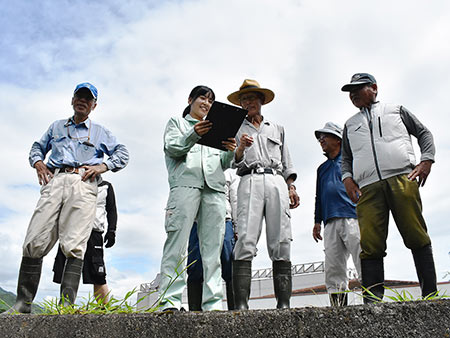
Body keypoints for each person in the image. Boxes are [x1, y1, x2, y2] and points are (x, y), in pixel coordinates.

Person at [4, 83, 128, 314]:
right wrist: (38, 162)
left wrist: (103, 166)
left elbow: (122, 153)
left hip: (83, 182)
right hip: (56, 179)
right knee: (35, 237)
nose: (82, 101)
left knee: (75, 242)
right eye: (79, 97)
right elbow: (37, 147)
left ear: (94, 105)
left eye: (87, 99)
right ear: (72, 100)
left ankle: (66, 307)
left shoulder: (100, 131)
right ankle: (22, 304)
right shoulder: (56, 126)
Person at [340, 73, 437, 303]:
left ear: (373, 88)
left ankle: (431, 295)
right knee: (370, 243)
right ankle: (373, 301)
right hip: (368, 188)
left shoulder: (396, 110)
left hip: (403, 179)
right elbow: (346, 158)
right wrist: (347, 178)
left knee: (416, 234)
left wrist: (427, 160)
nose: (353, 94)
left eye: (359, 88)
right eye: (350, 91)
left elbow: (424, 133)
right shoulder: (350, 125)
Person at [158, 85, 237, 312]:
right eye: (203, 97)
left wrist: (231, 150)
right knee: (177, 245)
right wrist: (195, 134)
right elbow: (172, 148)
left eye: (211, 100)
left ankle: (212, 304)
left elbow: (224, 163)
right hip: (185, 186)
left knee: (213, 250)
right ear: (191, 99)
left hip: (214, 189)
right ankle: (170, 301)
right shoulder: (177, 123)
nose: (207, 103)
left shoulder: (217, 128)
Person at [227, 79, 299, 310]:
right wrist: (240, 149)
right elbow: (230, 161)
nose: (249, 102)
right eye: (244, 99)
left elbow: (287, 161)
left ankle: (284, 303)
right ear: (240, 104)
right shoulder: (234, 128)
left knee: (281, 238)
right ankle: (241, 305)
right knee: (246, 236)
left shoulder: (276, 128)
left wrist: (291, 186)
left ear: (261, 101)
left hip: (276, 180)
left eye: (253, 98)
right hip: (248, 178)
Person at [312, 122, 361, 306]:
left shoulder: (352, 161)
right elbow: (319, 196)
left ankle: (373, 305)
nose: (321, 140)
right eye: (319, 138)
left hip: (353, 216)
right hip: (330, 221)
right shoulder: (321, 169)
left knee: (362, 259)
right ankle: (339, 311)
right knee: (333, 267)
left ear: (338, 139)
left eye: (325, 136)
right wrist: (317, 221)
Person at [53, 180, 117, 303]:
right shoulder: (72, 182)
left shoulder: (106, 186)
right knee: (66, 271)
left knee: (99, 275)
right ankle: (66, 307)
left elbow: (112, 210)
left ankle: (102, 311)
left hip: (94, 232)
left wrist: (112, 230)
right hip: (71, 231)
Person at [186, 169, 239, 311]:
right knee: (195, 266)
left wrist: (238, 227)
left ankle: (235, 311)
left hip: (224, 220)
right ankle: (194, 311)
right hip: (197, 221)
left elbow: (235, 200)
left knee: (230, 266)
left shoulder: (229, 173)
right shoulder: (194, 166)